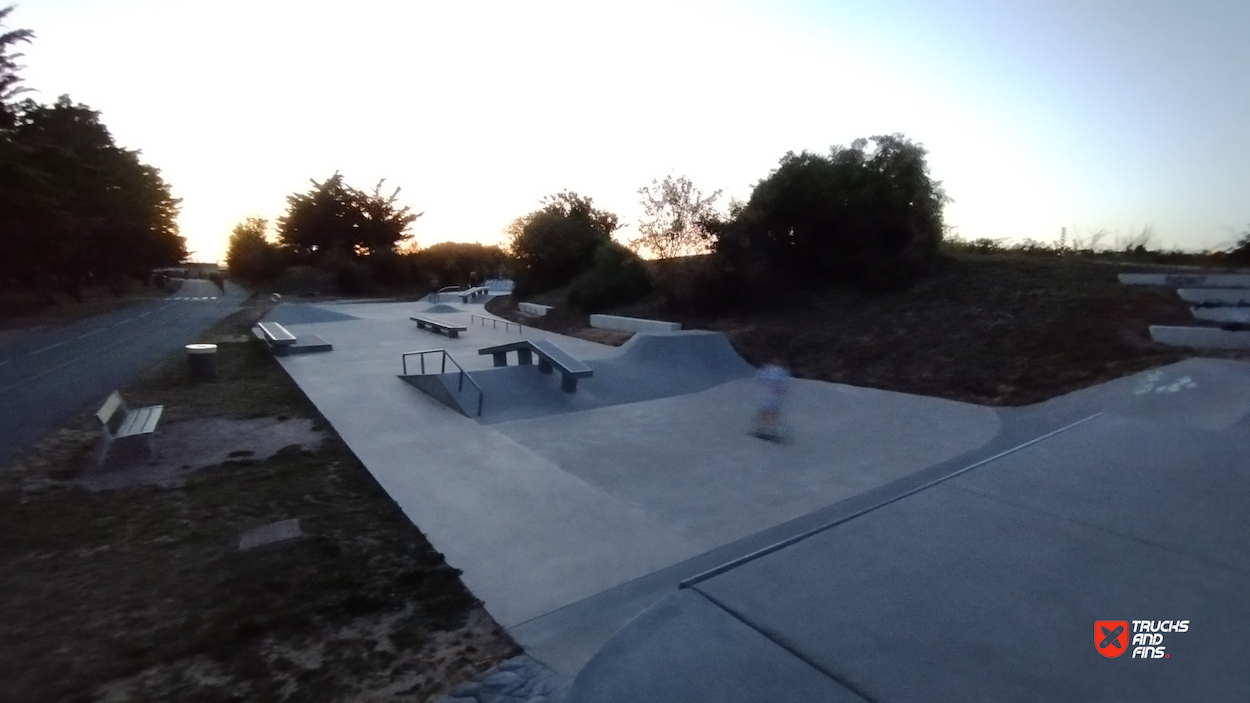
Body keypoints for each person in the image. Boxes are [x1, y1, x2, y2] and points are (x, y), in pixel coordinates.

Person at [753, 360, 790, 442]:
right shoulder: (779, 371)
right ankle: (767, 429)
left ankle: (765, 429)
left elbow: (761, 378)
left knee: (768, 412)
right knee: (769, 412)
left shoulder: (772, 370)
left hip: (771, 396)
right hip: (773, 396)